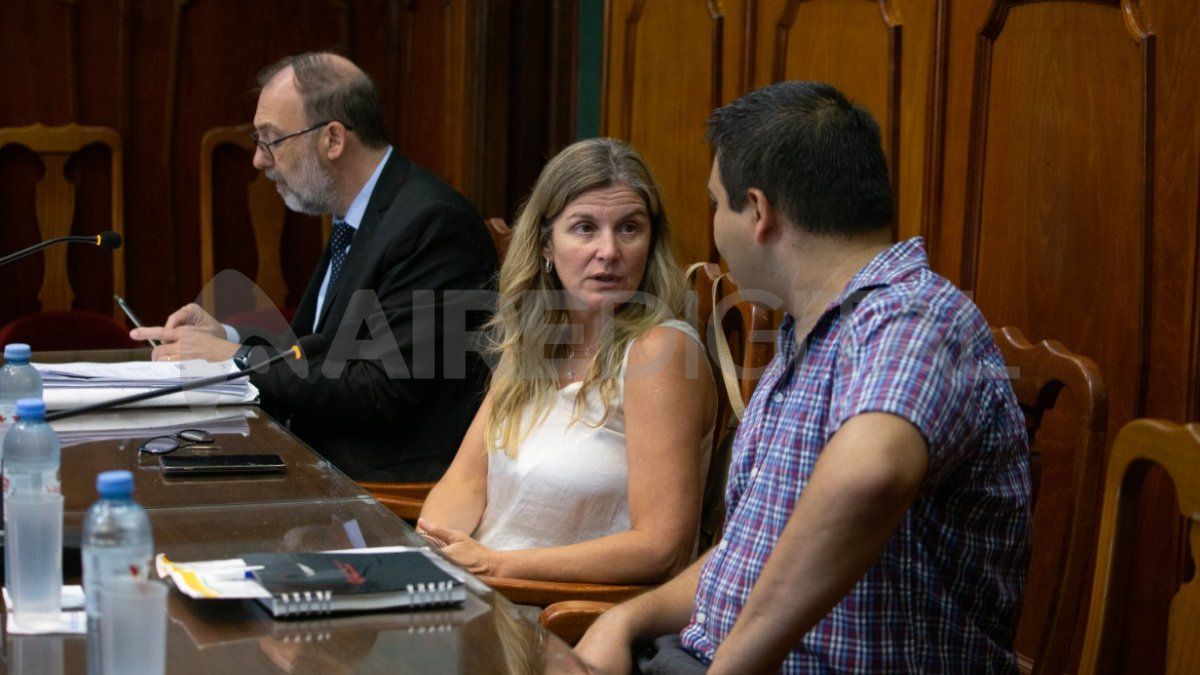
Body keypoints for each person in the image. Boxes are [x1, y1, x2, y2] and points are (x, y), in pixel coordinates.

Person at [573, 82, 1031, 673]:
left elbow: (870, 475)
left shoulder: (915, 316)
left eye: (716, 203)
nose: (712, 225)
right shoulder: (806, 336)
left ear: (759, 213)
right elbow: (746, 554)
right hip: (683, 652)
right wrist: (625, 619)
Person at [131, 52, 498, 481]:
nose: (259, 160)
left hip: (378, 481)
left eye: (271, 139)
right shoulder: (363, 213)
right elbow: (327, 350)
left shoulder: (431, 225)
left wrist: (237, 359)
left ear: (333, 140)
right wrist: (226, 337)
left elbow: (382, 391)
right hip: (320, 454)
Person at [415, 138, 716, 584]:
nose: (609, 251)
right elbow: (467, 482)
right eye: (585, 228)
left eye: (629, 228)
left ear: (652, 243)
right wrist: (431, 552)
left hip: (564, 616)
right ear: (545, 246)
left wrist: (497, 566)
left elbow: (660, 548)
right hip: (483, 593)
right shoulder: (534, 342)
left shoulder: (661, 353)